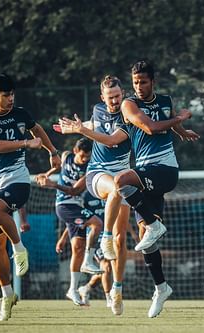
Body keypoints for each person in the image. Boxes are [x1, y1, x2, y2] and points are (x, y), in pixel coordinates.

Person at [58, 61, 199, 317]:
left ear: (152, 81)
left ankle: (113, 262)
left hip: (157, 171)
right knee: (142, 235)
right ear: (103, 96)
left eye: (143, 82)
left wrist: (181, 130)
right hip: (135, 175)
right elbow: (145, 128)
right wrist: (81, 129)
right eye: (135, 82)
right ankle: (158, 285)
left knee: (127, 198)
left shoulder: (159, 101)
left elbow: (163, 120)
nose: (138, 86)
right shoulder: (128, 106)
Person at [0, 73, 60, 321]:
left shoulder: (21, 113)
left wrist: (52, 151)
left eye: (12, 94)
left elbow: (38, 129)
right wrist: (26, 143)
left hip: (19, 179)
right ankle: (7, 295)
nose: (11, 99)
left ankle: (19, 248)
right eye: (6, 95)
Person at [54, 75, 132, 315]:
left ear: (123, 94)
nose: (114, 101)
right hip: (98, 174)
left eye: (118, 96)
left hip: (123, 173)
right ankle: (103, 239)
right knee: (116, 189)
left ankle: (116, 290)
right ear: (102, 97)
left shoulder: (129, 113)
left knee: (122, 241)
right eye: (110, 97)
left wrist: (81, 130)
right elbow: (96, 124)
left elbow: (109, 140)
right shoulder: (99, 110)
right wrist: (77, 128)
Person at [36, 138, 103, 305]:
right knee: (97, 224)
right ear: (75, 151)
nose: (85, 159)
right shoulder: (66, 156)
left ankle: (72, 290)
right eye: (82, 156)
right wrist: (47, 173)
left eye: (88, 156)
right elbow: (57, 166)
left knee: (78, 249)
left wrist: (53, 184)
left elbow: (74, 191)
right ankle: (89, 260)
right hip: (65, 206)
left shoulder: (90, 168)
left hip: (74, 204)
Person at [77, 191, 140, 307]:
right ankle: (109, 299)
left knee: (109, 268)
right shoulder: (86, 195)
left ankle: (86, 288)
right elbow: (78, 215)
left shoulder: (112, 192)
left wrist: (133, 233)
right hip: (95, 237)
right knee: (106, 265)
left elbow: (121, 217)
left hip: (111, 234)